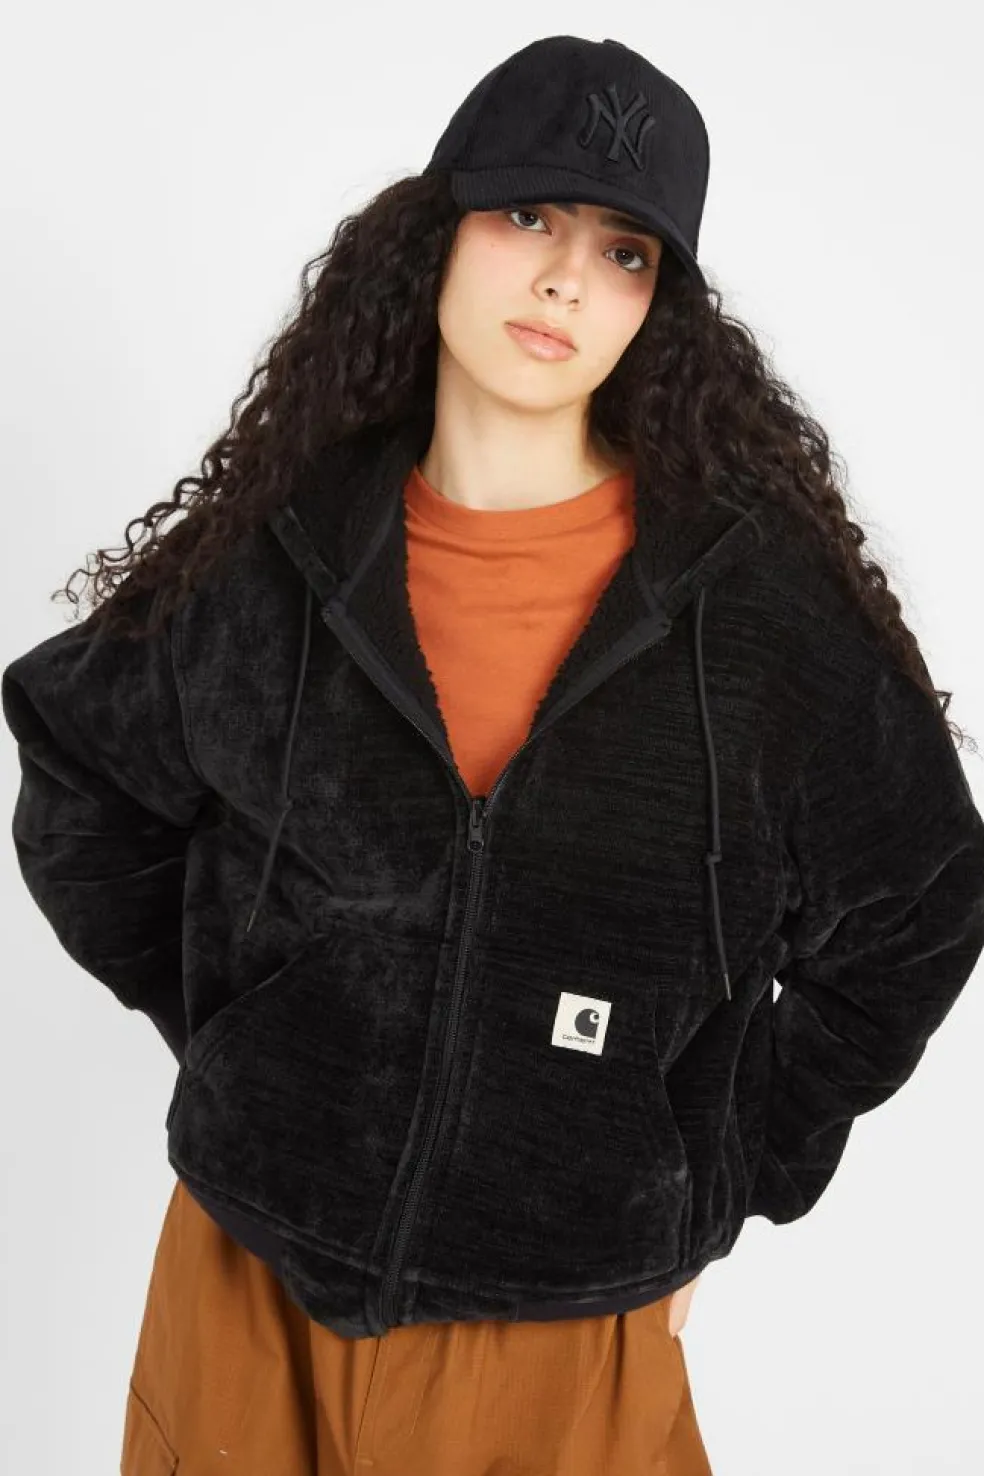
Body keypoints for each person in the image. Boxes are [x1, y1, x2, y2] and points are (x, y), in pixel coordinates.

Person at [3, 33, 984, 1476]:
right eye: (529, 214)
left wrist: (719, 1168)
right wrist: (253, 1035)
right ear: (439, 232)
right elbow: (85, 773)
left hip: (565, 1332)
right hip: (246, 1284)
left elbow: (922, 905)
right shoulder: (278, 554)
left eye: (625, 252)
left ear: (660, 306)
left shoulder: (759, 613)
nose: (566, 279)